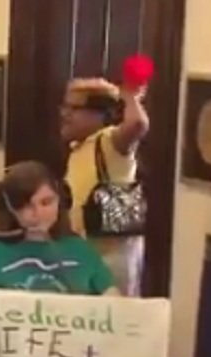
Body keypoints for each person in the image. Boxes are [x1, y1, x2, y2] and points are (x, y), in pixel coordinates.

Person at [0, 160, 117, 300]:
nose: (38, 213)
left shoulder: (80, 249)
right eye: (26, 206)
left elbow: (114, 299)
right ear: (10, 209)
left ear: (60, 201)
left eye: (46, 202)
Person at [60, 77, 150, 295]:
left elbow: (138, 125)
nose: (65, 114)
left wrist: (129, 96)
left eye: (74, 108)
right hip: (84, 253)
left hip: (112, 259)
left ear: (101, 114)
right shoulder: (80, 148)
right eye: (65, 106)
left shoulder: (109, 142)